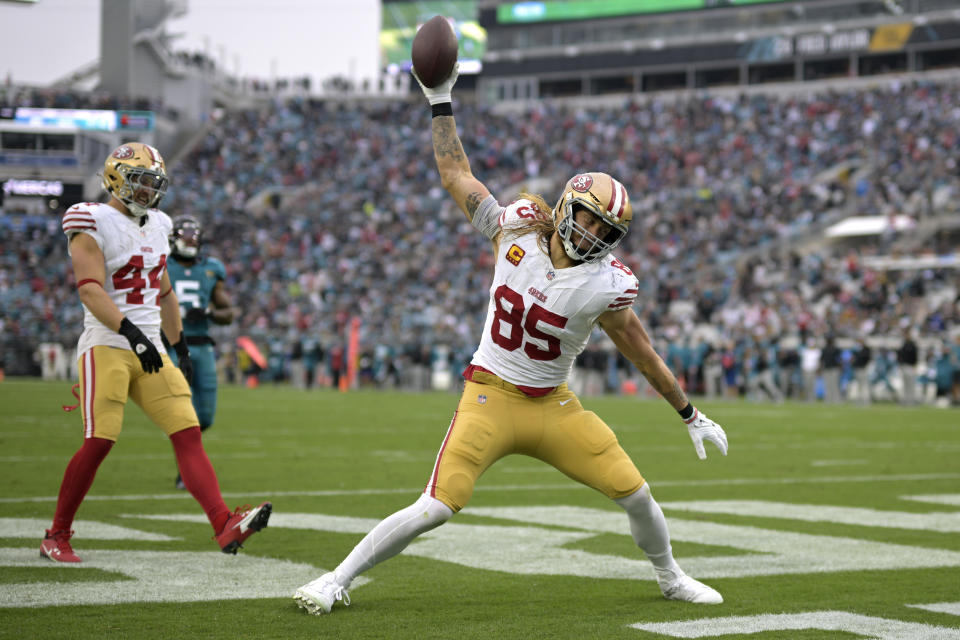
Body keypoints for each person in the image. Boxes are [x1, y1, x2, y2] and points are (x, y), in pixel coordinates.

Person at [294, 65, 728, 615]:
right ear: (568, 205)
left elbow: (642, 352)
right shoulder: (516, 226)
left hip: (552, 405)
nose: (593, 236)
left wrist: (689, 413)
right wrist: (440, 98)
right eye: (590, 221)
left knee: (636, 493)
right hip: (490, 394)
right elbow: (456, 174)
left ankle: (670, 576)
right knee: (436, 505)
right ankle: (336, 578)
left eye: (606, 232)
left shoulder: (608, 284)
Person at [43, 142, 271, 563]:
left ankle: (223, 524)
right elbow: (90, 290)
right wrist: (132, 333)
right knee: (100, 441)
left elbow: (163, 292)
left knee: (188, 431)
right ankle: (56, 534)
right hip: (108, 345)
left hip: (149, 347)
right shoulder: (90, 218)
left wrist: (179, 345)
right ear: (116, 177)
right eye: (140, 182)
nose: (148, 192)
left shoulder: (159, 224)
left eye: (154, 184)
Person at [166, 216, 236, 489]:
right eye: (185, 234)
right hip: (171, 345)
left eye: (194, 233)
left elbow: (227, 312)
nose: (191, 238)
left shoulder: (210, 269)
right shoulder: (161, 266)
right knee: (181, 412)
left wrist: (207, 312)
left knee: (204, 417)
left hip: (203, 347)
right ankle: (186, 471)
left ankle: (187, 455)